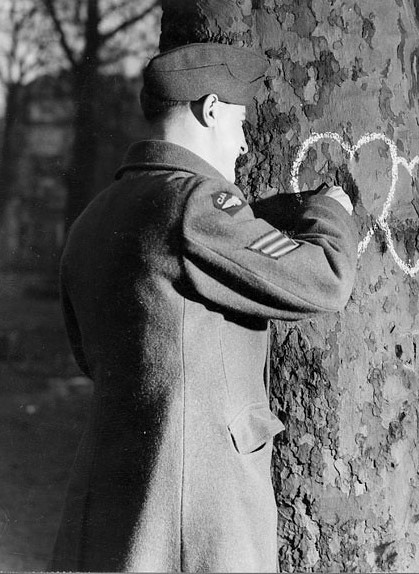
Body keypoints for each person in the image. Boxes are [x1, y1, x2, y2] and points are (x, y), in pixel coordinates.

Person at [50, 43, 358, 572]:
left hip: (113, 491)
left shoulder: (94, 216)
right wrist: (331, 211)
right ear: (210, 109)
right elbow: (324, 280)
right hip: (195, 505)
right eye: (239, 123)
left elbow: (87, 354)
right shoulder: (195, 202)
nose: (242, 145)